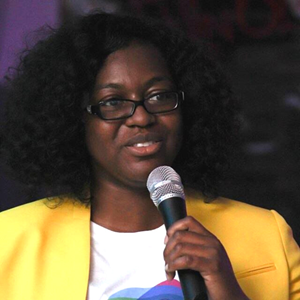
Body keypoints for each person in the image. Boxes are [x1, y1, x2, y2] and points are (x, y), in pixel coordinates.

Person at [0, 12, 299, 300]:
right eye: (113, 101)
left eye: (158, 96)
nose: (141, 118)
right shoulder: (8, 241)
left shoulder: (267, 233)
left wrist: (229, 293)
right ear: (71, 119)